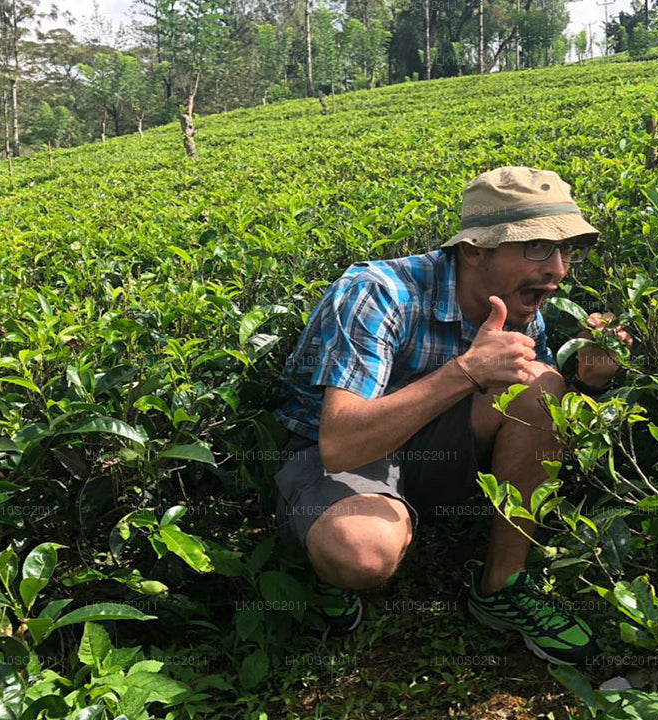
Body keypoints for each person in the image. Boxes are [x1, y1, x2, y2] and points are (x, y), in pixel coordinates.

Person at [270, 166, 630, 666]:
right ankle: (325, 558)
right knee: (362, 552)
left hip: (429, 444)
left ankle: (501, 585)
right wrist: (465, 372)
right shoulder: (378, 291)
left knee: (541, 385)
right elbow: (340, 444)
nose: (558, 270)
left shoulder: (520, 302)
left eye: (566, 251)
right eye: (537, 247)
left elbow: (538, 417)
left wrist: (589, 383)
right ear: (475, 250)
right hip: (336, 454)